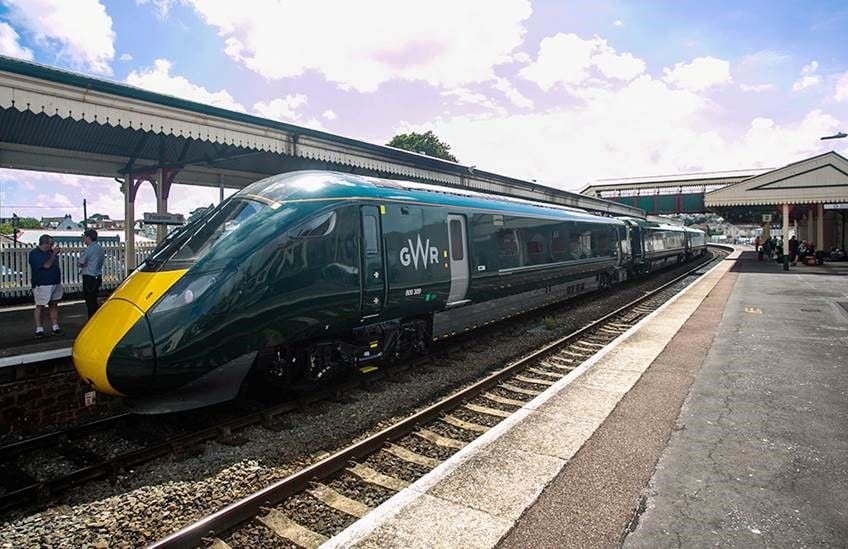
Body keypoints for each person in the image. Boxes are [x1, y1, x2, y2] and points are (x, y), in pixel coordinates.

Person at [28, 234, 63, 338]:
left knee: (54, 305)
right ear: (45, 243)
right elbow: (46, 265)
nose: (52, 246)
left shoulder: (50, 252)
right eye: (50, 244)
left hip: (54, 282)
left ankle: (55, 326)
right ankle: (39, 328)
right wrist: (53, 255)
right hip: (42, 283)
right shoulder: (34, 254)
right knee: (40, 306)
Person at [78, 229, 105, 318]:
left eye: (84, 238)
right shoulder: (100, 248)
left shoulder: (89, 249)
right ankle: (95, 317)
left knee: (89, 301)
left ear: (88, 238)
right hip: (97, 276)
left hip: (89, 276)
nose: (83, 240)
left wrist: (83, 264)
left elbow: (80, 263)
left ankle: (92, 318)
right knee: (93, 298)